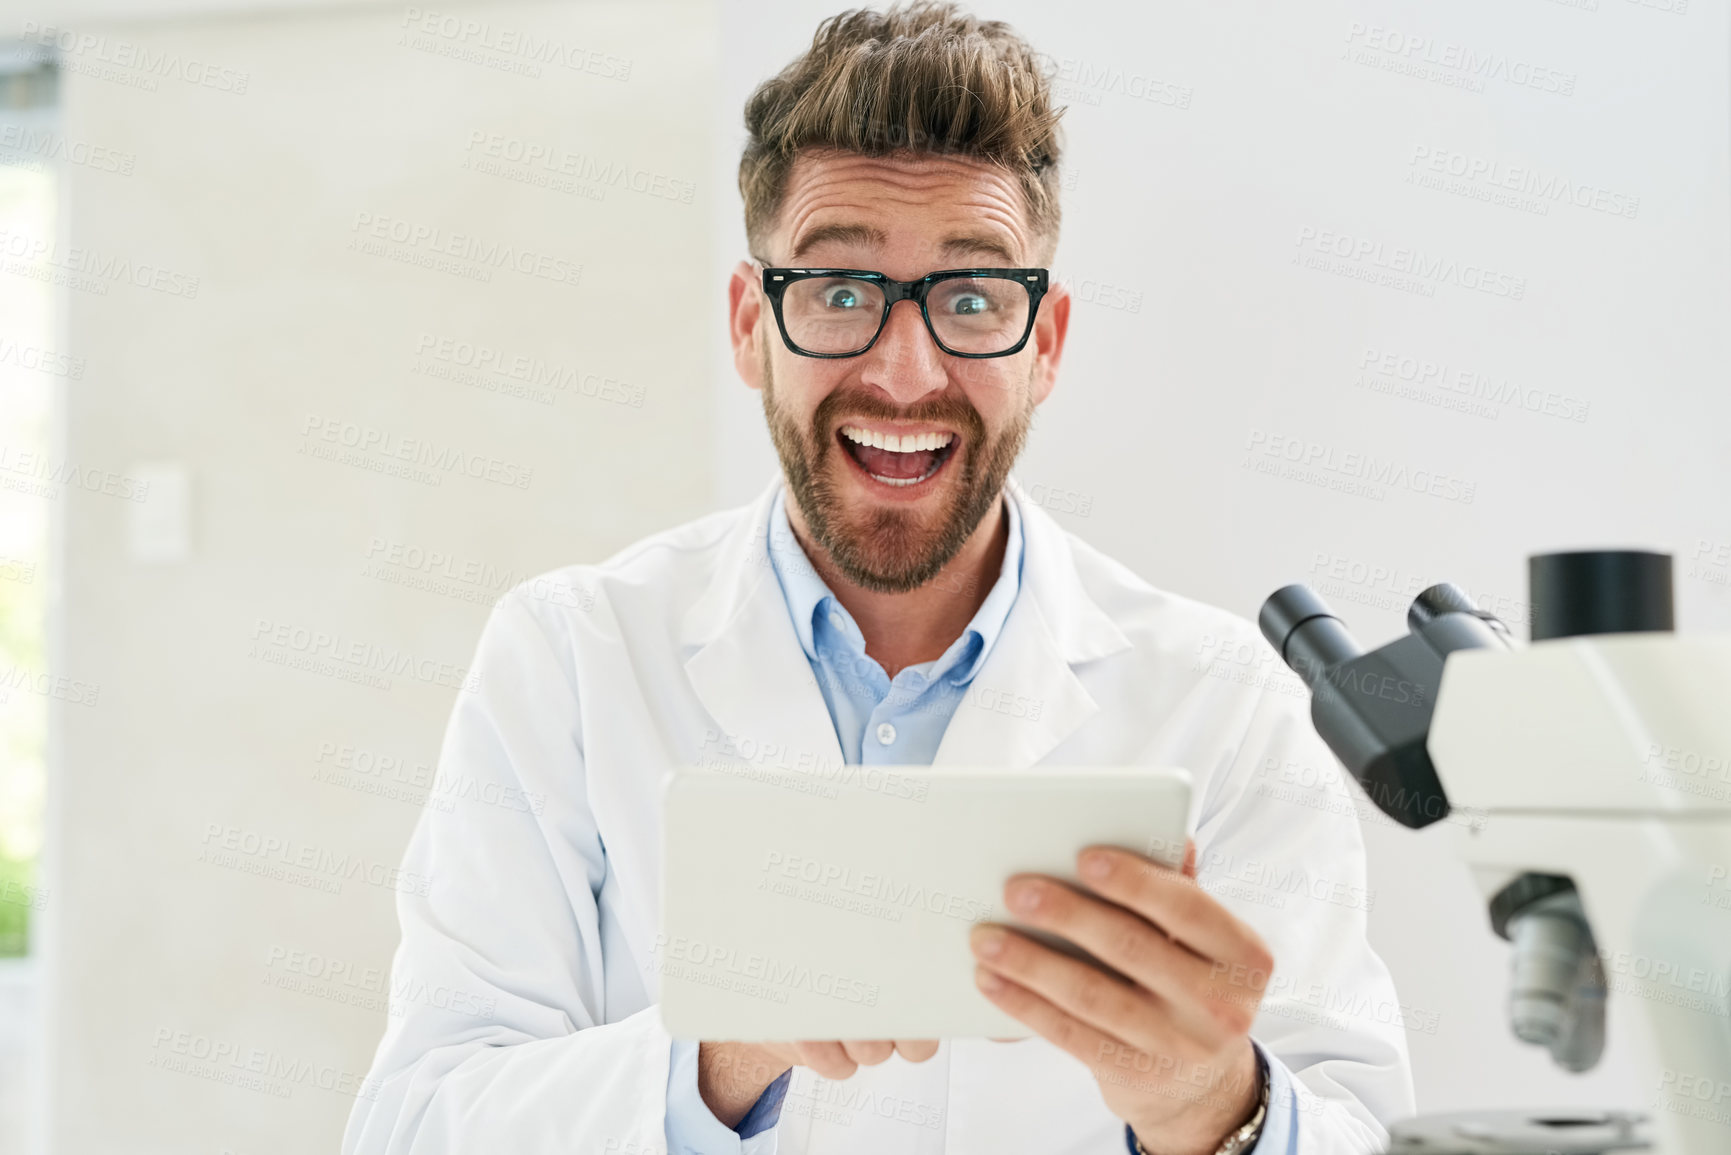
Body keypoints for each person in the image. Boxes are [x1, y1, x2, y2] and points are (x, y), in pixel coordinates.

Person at [343, 5, 1414, 1153]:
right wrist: (720, 1052)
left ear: (1044, 343)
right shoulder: (570, 656)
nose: (906, 375)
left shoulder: (1223, 701)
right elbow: (413, 1125)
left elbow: (1362, 1127)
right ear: (754, 324)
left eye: (971, 299)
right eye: (842, 291)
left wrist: (1215, 1110)